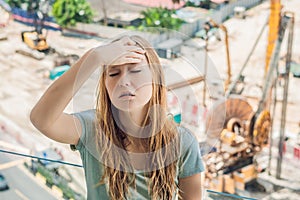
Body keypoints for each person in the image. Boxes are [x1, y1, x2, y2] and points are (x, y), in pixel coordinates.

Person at [30, 35, 204, 200]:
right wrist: (94, 57)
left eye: (135, 70)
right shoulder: (93, 128)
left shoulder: (182, 142)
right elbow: (41, 119)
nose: (124, 81)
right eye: (113, 74)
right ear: (105, 85)